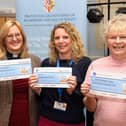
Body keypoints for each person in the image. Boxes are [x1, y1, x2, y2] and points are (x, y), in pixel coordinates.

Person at [29, 22, 92, 126]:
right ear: (53, 42)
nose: (61, 41)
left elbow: (88, 99)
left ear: (73, 39)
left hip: (73, 121)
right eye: (57, 38)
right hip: (47, 119)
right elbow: (44, 96)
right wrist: (37, 90)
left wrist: (73, 91)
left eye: (65, 37)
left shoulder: (84, 63)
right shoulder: (47, 63)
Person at [81, 13, 126, 126]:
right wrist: (89, 96)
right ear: (106, 41)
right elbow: (91, 108)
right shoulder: (96, 66)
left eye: (123, 37)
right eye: (112, 37)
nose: (117, 41)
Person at [0, 20, 41, 126]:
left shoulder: (35, 61)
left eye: (17, 34)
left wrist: (39, 90)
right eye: (9, 36)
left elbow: (44, 95)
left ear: (22, 37)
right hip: (4, 118)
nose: (14, 39)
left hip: (30, 118)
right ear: (4, 40)